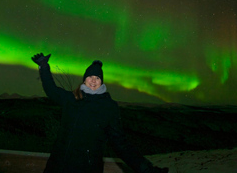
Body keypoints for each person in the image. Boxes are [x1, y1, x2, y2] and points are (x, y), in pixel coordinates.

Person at [32, 52, 169, 173]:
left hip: (86, 168)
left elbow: (121, 144)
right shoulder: (72, 99)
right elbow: (51, 89)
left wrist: (147, 169)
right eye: (90, 76)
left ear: (101, 82)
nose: (93, 80)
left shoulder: (108, 107)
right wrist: (44, 66)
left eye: (97, 78)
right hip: (58, 165)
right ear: (84, 79)